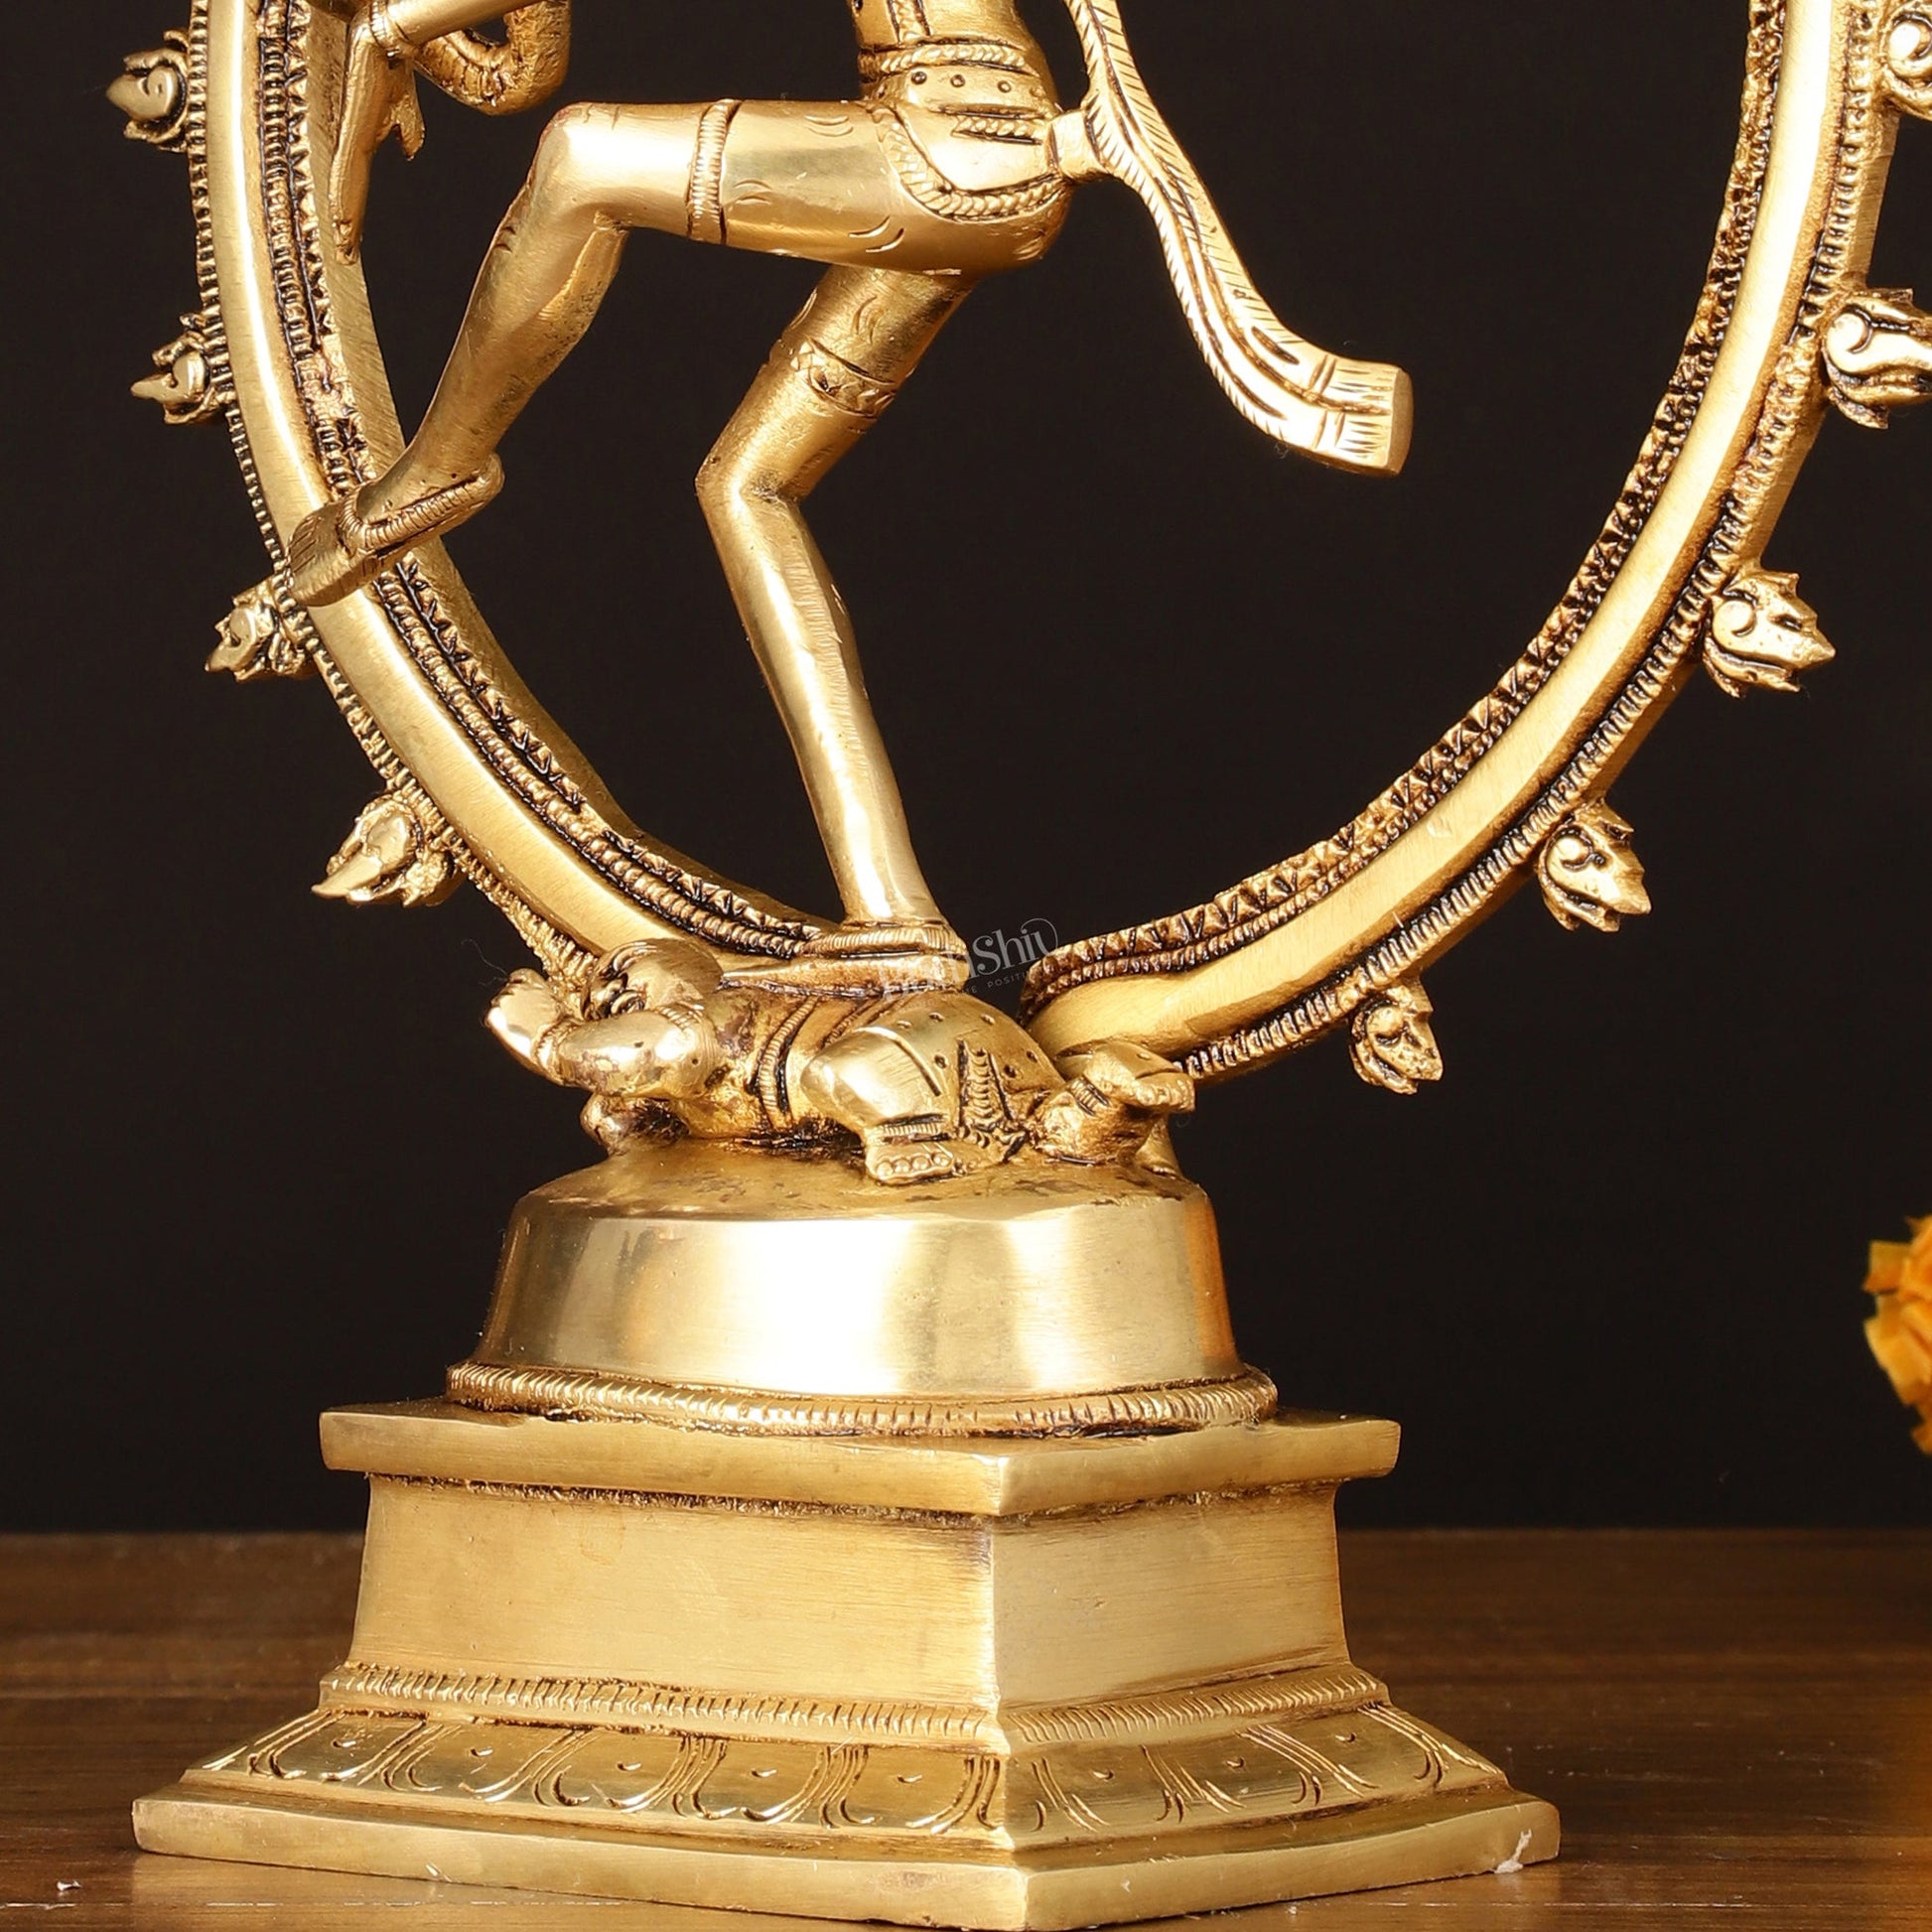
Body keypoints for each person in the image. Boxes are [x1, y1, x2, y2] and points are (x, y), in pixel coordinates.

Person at [293, 0, 1411, 986]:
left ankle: (443, 467)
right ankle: (894, 912)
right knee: (747, 485)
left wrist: (397, 31)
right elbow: (519, 61)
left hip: (946, 154)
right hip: (976, 156)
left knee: (587, 158)